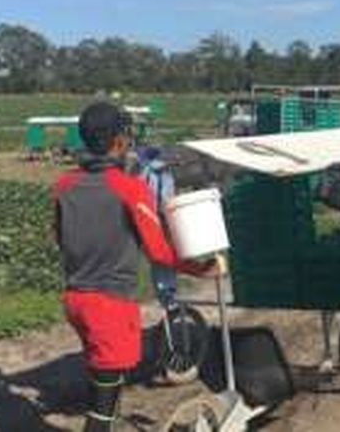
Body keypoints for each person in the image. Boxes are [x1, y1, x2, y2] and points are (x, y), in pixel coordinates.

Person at [53, 102, 220, 432]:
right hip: (110, 305)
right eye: (126, 136)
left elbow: (59, 238)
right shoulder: (130, 188)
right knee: (102, 408)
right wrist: (203, 268)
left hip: (75, 299)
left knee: (102, 385)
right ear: (117, 141)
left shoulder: (64, 185)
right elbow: (159, 252)